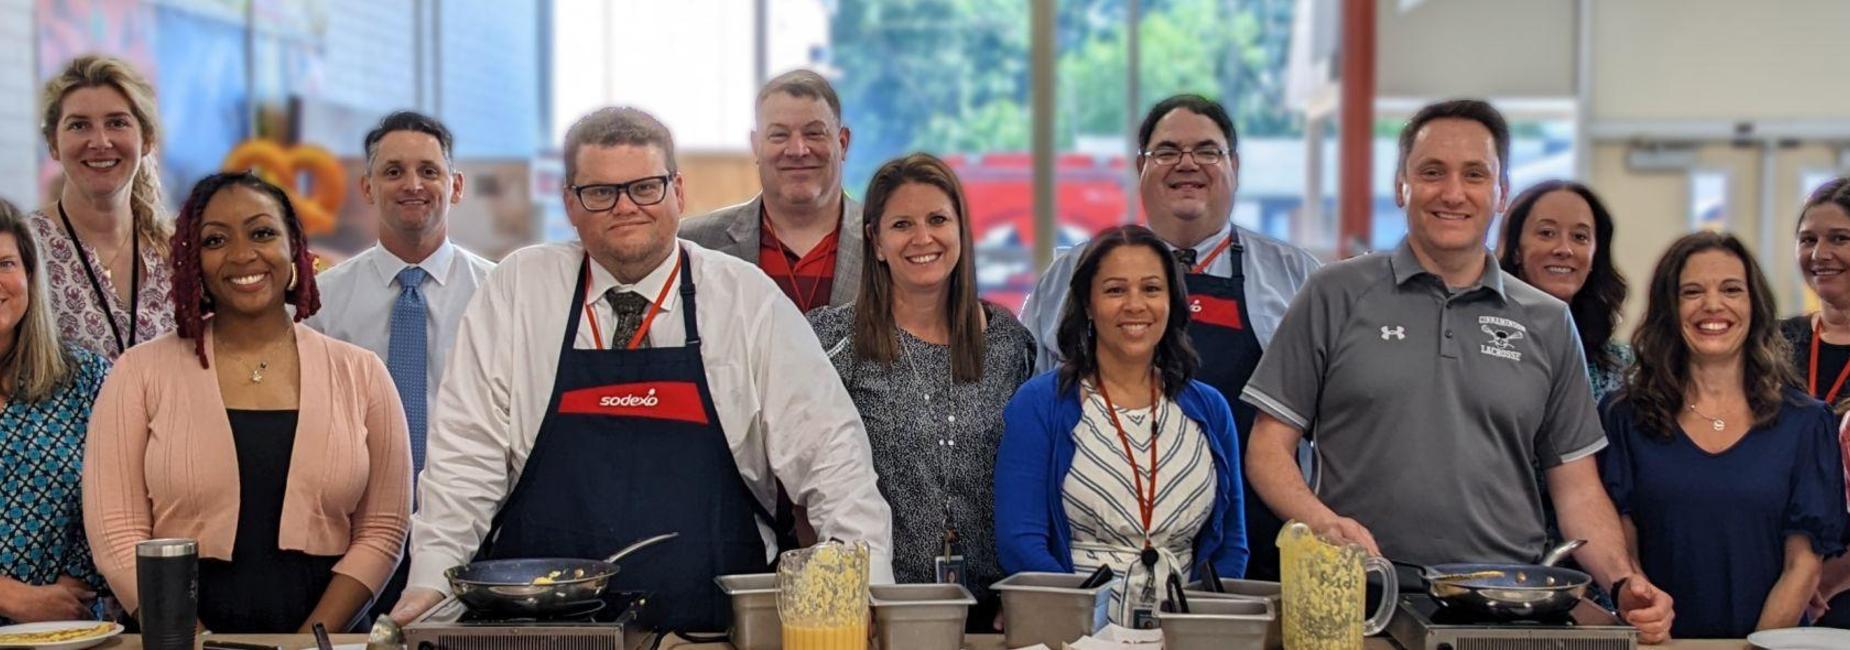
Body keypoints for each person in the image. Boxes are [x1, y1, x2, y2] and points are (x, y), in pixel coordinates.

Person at [391, 107, 892, 633]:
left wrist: (867, 597)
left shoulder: (746, 300)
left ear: (679, 191)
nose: (626, 207)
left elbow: (834, 462)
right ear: (569, 203)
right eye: (600, 192)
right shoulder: (520, 289)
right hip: (542, 633)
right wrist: (429, 588)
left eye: (646, 187)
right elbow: (464, 461)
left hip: (714, 632)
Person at [1240, 99, 1675, 643]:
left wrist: (1624, 581)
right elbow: (1267, 449)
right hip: (1357, 601)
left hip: (1503, 609)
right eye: (1432, 172)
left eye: (1474, 174)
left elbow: (1578, 492)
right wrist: (1322, 522)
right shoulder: (1335, 293)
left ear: (1501, 192)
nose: (1452, 193)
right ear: (1401, 186)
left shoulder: (1546, 321)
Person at [84, 172, 412, 633]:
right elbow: (117, 535)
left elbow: (383, 531)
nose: (242, 255)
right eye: (216, 240)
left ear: (294, 247)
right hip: (177, 639)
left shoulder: (363, 373)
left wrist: (308, 643)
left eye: (262, 233)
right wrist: (193, 641)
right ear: (194, 261)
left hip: (327, 639)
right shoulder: (138, 373)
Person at [1019, 95, 1319, 581]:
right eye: (1166, 151)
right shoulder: (1069, 275)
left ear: (1235, 165)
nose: (1187, 164)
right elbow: (1031, 421)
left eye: (1207, 151)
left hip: (1262, 556)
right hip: (1088, 567)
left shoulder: (1297, 278)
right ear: (1140, 167)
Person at [807, 153, 1035, 630]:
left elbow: (1033, 480)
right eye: (902, 225)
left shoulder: (1009, 343)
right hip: (877, 609)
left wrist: (1026, 593)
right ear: (876, 241)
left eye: (937, 220)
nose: (923, 238)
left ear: (961, 229)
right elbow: (804, 484)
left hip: (993, 614)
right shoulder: (830, 341)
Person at [997, 225, 1247, 628]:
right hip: (1073, 633)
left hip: (1185, 632)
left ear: (1171, 301)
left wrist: (1197, 627)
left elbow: (1232, 547)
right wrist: (1084, 623)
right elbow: (1019, 543)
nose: (1135, 305)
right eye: (1115, 290)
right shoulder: (1039, 405)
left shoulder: (1211, 409)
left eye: (1151, 289)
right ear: (1088, 304)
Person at [1600, 231, 1845, 638]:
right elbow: (1624, 554)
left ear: (1755, 305)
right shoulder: (1624, 416)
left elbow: (1802, 567)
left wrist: (1755, 649)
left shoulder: (1806, 423)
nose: (1713, 305)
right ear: (1668, 307)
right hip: (1658, 644)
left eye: (1731, 290)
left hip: (1769, 646)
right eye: (1692, 292)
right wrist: (1655, 630)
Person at [305, 110, 493, 619]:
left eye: (429, 171)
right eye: (393, 172)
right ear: (367, 188)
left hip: (476, 533)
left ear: (455, 186)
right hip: (351, 541)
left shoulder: (498, 295)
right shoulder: (321, 303)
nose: (413, 185)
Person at [0, 199, 111, 624]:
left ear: (29, 274)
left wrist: (69, 590)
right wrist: (10, 597)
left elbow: (116, 498)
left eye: (5, 264)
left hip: (70, 627)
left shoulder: (85, 377)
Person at [681, 69, 861, 313]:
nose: (797, 150)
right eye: (779, 135)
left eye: (813, 133)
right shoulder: (693, 245)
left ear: (842, 143)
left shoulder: (887, 241)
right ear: (756, 146)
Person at [31, 55, 176, 360]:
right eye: (79, 125)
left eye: (117, 123)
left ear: (147, 139)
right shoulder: (24, 247)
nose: (100, 141)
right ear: (53, 145)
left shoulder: (177, 252)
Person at [1781, 176, 1850, 625]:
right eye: (1808, 240)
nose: (1820, 254)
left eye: (1840, 238)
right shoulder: (1770, 342)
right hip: (1776, 577)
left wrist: (1822, 580)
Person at [1497, 180, 1632, 401]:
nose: (1564, 249)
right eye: (1547, 233)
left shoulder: (1622, 369)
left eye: (1580, 237)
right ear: (1516, 250)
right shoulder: (1482, 345)